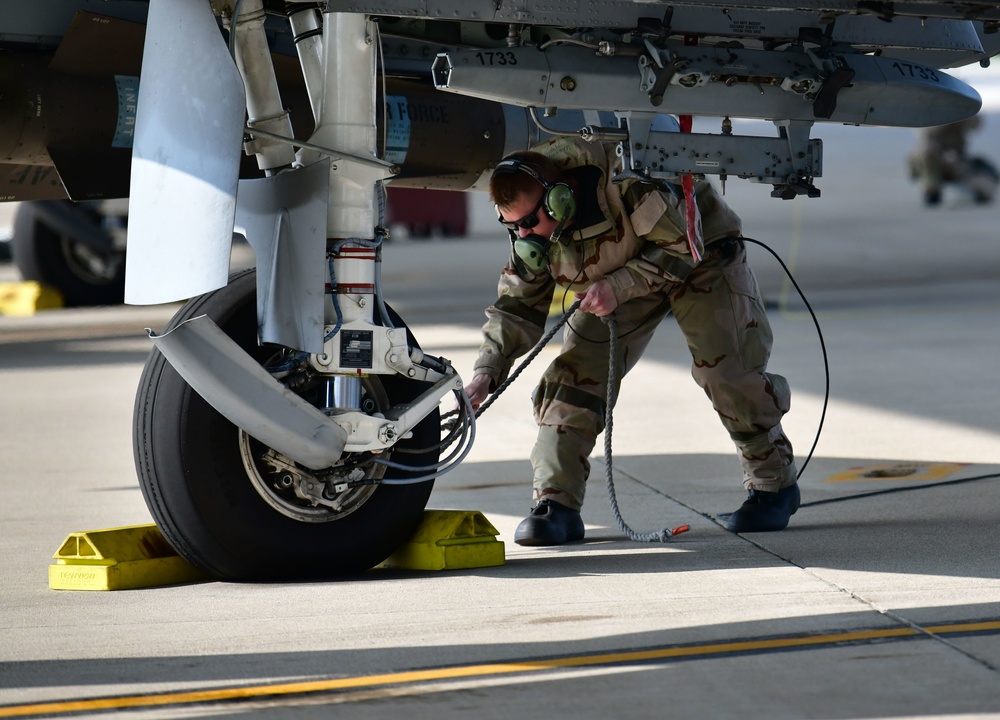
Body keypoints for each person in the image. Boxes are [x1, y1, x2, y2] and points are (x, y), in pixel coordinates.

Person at [463, 136, 799, 545]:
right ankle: (556, 504)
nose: (524, 234)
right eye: (512, 226)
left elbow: (682, 249)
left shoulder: (627, 182)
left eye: (529, 223)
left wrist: (618, 286)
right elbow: (517, 306)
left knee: (726, 372)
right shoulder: (535, 234)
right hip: (616, 281)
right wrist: (486, 372)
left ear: (558, 201)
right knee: (570, 381)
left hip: (698, 257)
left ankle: (773, 485)